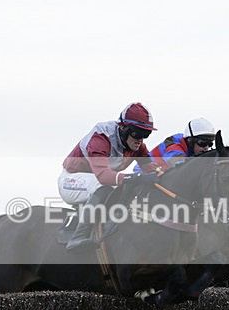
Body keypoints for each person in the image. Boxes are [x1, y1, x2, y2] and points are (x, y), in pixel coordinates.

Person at [59, 102, 162, 251]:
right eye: (137, 133)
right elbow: (103, 176)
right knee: (105, 186)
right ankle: (79, 236)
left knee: (129, 188)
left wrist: (165, 176)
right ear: (123, 128)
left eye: (145, 134)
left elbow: (152, 170)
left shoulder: (138, 147)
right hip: (72, 180)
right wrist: (136, 178)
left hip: (98, 181)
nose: (140, 139)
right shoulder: (100, 139)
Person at [139, 117, 216, 172]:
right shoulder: (174, 148)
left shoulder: (190, 149)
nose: (206, 147)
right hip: (143, 174)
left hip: (160, 173)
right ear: (190, 140)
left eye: (210, 144)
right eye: (202, 143)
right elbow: (184, 168)